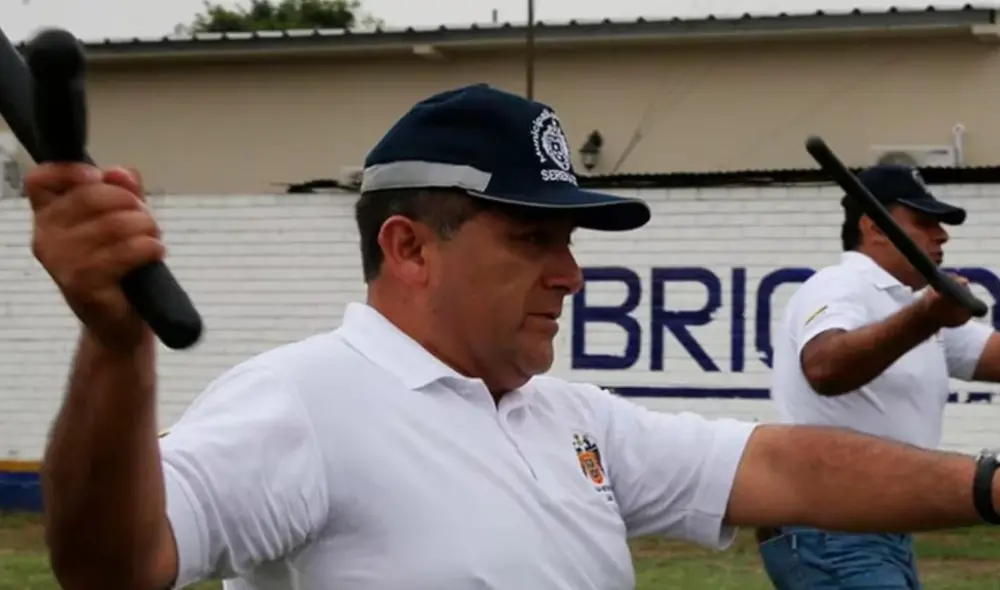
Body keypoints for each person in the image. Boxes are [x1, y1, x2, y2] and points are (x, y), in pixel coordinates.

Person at [28, 84, 1000, 590]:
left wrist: (988, 484)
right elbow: (116, 564)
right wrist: (115, 346)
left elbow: (783, 467)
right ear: (408, 246)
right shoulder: (302, 400)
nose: (570, 271)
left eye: (568, 240)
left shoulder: (562, 416)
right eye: (534, 238)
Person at [759, 163, 1000, 589]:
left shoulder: (906, 305)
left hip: (874, 526)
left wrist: (925, 316)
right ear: (875, 228)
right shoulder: (839, 285)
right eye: (924, 223)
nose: (941, 235)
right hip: (831, 526)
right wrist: (925, 317)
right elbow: (825, 367)